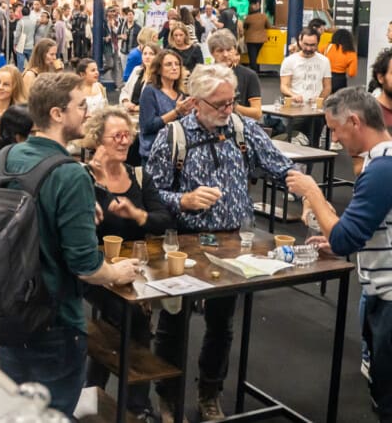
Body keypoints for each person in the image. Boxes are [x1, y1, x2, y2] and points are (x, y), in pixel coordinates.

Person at [0, 73, 141, 416]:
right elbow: (86, 266)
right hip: (53, 322)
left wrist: (76, 208)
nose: (87, 113)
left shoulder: (3, 160)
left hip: (6, 310)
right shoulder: (70, 174)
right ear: (56, 114)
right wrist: (116, 271)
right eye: (81, 106)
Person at [145, 64, 292, 422]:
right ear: (195, 102)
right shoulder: (173, 137)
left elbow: (281, 166)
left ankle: (210, 392)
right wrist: (185, 200)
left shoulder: (243, 129)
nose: (229, 110)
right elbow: (150, 194)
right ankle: (168, 397)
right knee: (173, 325)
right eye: (221, 104)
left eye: (232, 102)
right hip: (184, 246)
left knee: (222, 324)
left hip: (233, 245)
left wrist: (308, 196)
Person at [285, 88, 392, 423]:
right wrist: (341, 238)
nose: (334, 138)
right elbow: (370, 230)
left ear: (355, 121)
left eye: (335, 129)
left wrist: (313, 193)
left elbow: (345, 238)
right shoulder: (382, 165)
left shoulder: (381, 170)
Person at [83, 106, 176, 420]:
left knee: (118, 323)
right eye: (116, 136)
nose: (124, 142)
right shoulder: (82, 176)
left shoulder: (137, 174)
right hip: (95, 269)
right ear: (98, 139)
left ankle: (92, 395)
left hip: (136, 268)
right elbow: (78, 230)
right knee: (129, 318)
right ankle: (138, 405)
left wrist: (139, 216)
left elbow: (164, 218)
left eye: (128, 135)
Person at [137, 49, 194, 162]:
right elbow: (148, 126)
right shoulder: (150, 91)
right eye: (168, 64)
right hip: (155, 153)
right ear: (158, 69)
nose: (174, 67)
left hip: (179, 153)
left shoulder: (180, 94)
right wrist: (176, 112)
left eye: (177, 64)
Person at [280, 27, 332, 144]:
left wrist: (320, 98)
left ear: (318, 43)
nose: (309, 48)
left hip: (315, 111)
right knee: (294, 142)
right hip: (295, 110)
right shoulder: (290, 61)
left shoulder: (324, 61)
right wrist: (293, 95)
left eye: (313, 45)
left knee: (313, 143)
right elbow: (284, 86)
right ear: (299, 41)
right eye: (305, 44)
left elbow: (327, 86)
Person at [207, 29, 262, 121]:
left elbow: (257, 113)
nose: (225, 54)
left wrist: (231, 106)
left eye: (229, 50)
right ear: (212, 53)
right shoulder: (205, 75)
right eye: (220, 51)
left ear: (235, 50)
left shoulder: (249, 75)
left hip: (240, 126)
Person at [119, 43, 160, 114]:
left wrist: (138, 108)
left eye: (151, 54)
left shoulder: (160, 76)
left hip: (148, 114)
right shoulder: (137, 70)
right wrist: (126, 101)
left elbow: (158, 101)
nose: (147, 57)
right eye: (145, 54)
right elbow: (125, 90)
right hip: (130, 113)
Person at [325, 28, 358, 93]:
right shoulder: (351, 53)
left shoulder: (327, 47)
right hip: (340, 80)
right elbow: (352, 73)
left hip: (326, 77)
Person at [242, 0, 270, 72]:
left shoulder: (248, 18)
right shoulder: (264, 16)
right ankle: (256, 69)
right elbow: (268, 26)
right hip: (261, 40)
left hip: (251, 40)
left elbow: (244, 27)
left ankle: (254, 72)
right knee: (255, 55)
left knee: (252, 57)